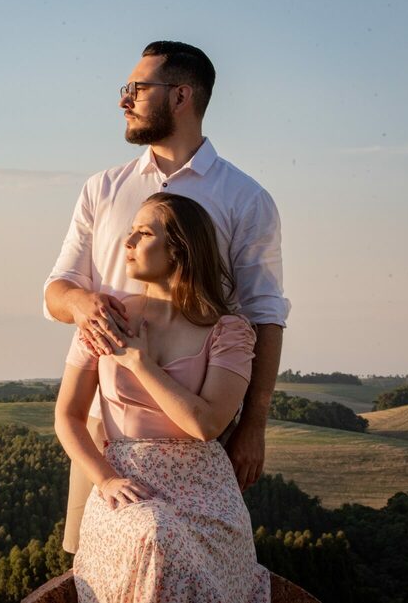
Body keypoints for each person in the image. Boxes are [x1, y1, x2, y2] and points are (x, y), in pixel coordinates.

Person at [43, 41, 290, 553]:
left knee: (189, 560)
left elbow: (264, 313)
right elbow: (57, 291)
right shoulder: (102, 189)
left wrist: (253, 426)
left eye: (136, 88)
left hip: (195, 423)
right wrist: (83, 305)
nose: (123, 100)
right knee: (90, 561)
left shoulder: (245, 198)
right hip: (104, 416)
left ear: (180, 95)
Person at [54, 192, 271, 602]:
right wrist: (106, 479)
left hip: (205, 490)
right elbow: (67, 416)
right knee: (154, 533)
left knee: (170, 541)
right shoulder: (106, 319)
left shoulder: (229, 331)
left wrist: (140, 363)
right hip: (124, 482)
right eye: (130, 231)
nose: (128, 242)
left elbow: (206, 425)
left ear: (179, 250)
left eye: (143, 232)